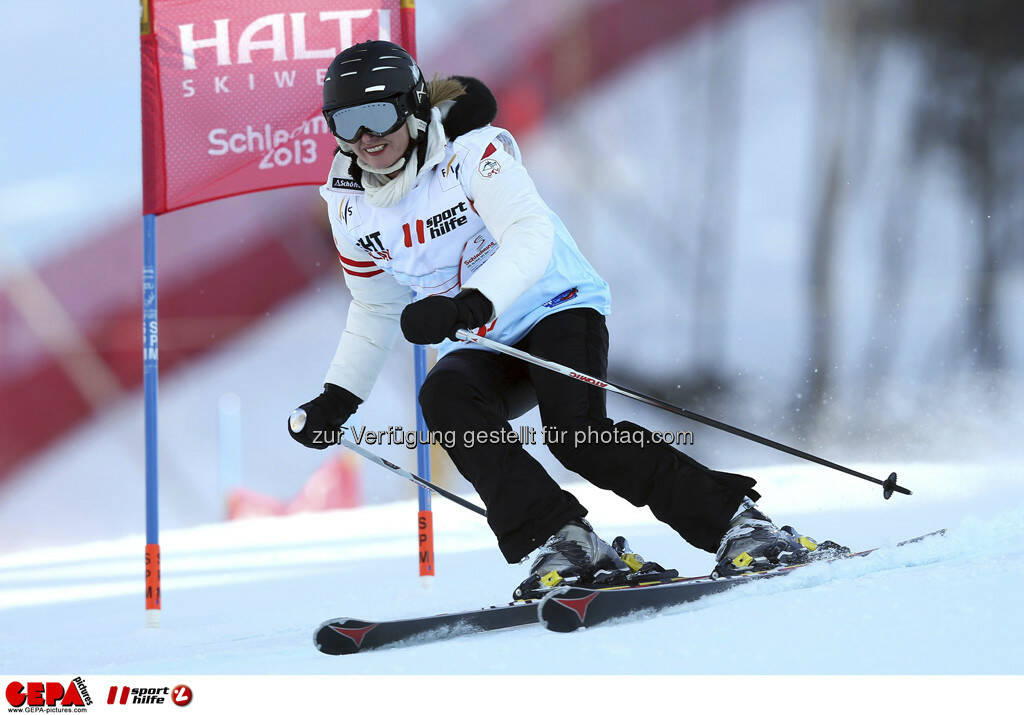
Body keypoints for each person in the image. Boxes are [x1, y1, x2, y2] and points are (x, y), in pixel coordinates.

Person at [289, 40, 828, 599]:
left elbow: (530, 236)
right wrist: (338, 398)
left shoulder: (473, 155)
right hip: (487, 336)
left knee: (576, 435)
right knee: (444, 400)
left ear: (413, 107)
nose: (365, 139)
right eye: (346, 122)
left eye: (378, 116)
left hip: (556, 304)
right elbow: (375, 305)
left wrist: (469, 303)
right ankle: (566, 539)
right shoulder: (349, 203)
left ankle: (741, 526)